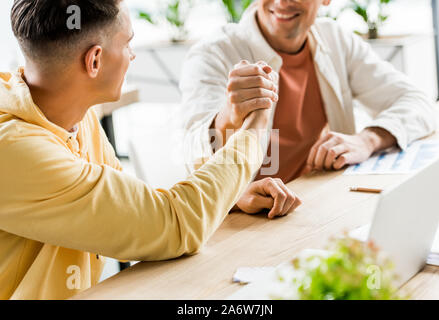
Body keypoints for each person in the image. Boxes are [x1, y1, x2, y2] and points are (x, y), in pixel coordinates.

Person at [0, 0, 300, 300]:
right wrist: (256, 123)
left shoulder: (72, 113)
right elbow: (174, 226)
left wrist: (230, 197)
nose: (132, 55)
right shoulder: (14, 152)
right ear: (94, 61)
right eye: (128, 43)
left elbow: (138, 211)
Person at [180, 0, 436, 215]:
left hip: (323, 203)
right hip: (251, 221)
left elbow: (416, 101)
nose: (282, 2)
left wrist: (367, 140)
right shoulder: (213, 53)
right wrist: (229, 116)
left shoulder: (334, 39)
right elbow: (191, 153)